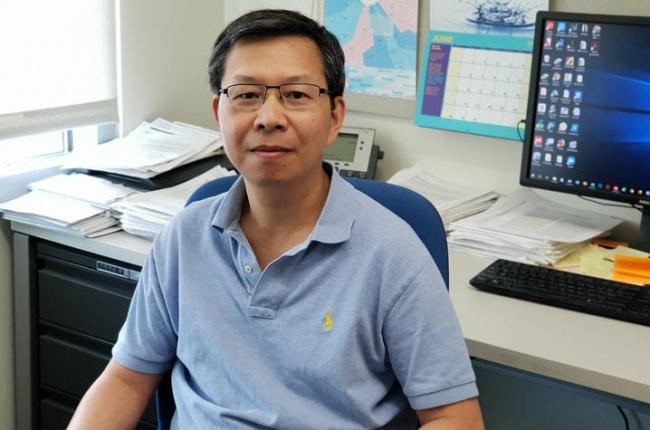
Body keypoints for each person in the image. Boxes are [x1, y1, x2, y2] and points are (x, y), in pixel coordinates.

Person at [69, 9, 484, 429]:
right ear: (219, 112)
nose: (269, 117)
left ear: (334, 117)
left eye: (296, 95)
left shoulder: (393, 253)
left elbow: (455, 417)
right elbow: (124, 380)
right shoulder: (183, 238)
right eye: (247, 95)